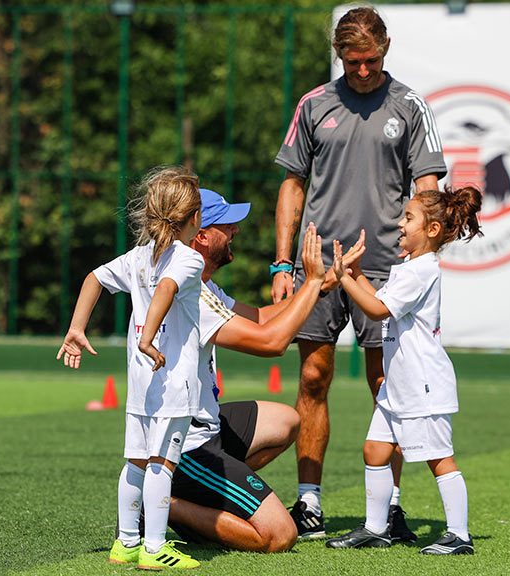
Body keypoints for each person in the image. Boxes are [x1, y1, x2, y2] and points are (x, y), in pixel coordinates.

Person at [271, 6, 447, 541]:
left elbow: (429, 189)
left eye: (370, 60)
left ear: (386, 48)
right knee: (312, 378)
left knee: (384, 384)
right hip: (319, 265)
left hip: (386, 269)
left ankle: (389, 508)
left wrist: (417, 258)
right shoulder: (315, 104)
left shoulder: (411, 105)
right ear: (338, 55)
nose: (363, 71)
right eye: (352, 62)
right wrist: (283, 261)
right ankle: (309, 502)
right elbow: (293, 185)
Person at [164, 188, 364, 553]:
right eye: (228, 224)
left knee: (286, 420)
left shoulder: (198, 281)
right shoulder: (188, 292)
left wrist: (323, 285)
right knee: (279, 535)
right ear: (203, 235)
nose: (236, 230)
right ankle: (162, 505)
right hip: (185, 445)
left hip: (200, 424)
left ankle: (196, 497)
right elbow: (269, 342)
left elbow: (259, 317)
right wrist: (314, 282)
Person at [57, 166, 205, 569]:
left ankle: (125, 543)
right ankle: (155, 548)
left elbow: (94, 278)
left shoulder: (138, 257)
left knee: (136, 461)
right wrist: (147, 337)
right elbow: (167, 289)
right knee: (162, 463)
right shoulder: (189, 258)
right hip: (172, 379)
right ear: (194, 217)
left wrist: (76, 328)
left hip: (141, 382)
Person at [325, 186, 482, 555]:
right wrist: (359, 274)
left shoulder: (422, 270)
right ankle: (376, 528)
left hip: (422, 384)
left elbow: (378, 312)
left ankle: (459, 535)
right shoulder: (410, 268)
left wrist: (343, 277)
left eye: (408, 218)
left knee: (438, 457)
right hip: (398, 385)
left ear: (431, 230)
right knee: (375, 450)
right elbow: (380, 301)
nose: (400, 223)